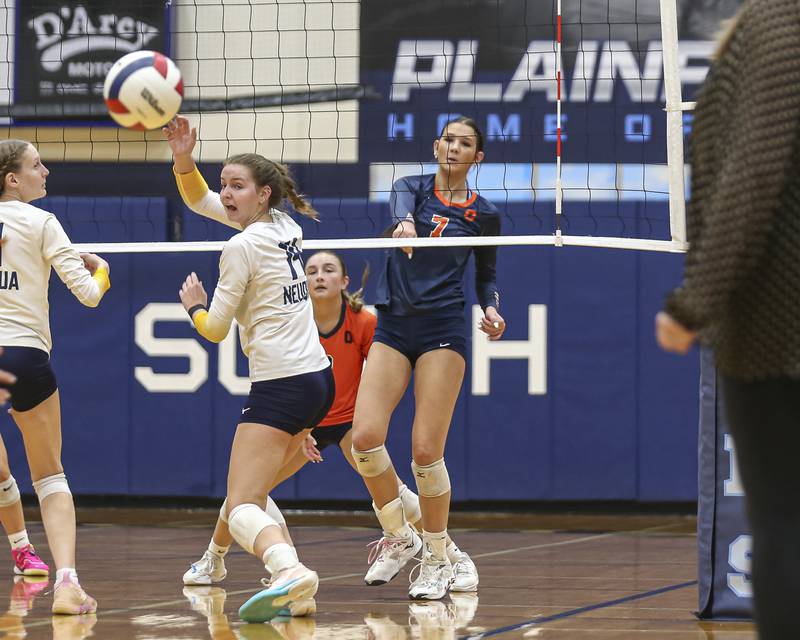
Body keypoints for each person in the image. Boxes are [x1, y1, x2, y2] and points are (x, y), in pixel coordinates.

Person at [655, 2, 800, 638]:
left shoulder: (778, 28)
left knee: (785, 524)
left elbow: (751, 176)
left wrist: (695, 303)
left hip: (780, 333)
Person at [181, 250, 427, 603]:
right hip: (304, 420)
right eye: (311, 271)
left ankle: (445, 555)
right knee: (248, 493)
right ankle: (214, 559)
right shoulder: (294, 318)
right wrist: (304, 425)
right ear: (301, 281)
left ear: (344, 282)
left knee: (395, 492)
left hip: (347, 424)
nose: (319, 277)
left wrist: (364, 423)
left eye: (329, 270)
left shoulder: (362, 321)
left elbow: (382, 376)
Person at [164, 116, 335, 623]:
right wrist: (183, 159)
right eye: (224, 185)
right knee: (253, 492)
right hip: (315, 380)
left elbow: (215, 330)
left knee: (240, 506)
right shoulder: (286, 226)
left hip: (280, 386)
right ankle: (294, 579)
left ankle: (284, 569)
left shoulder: (239, 247)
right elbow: (198, 200)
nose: (226, 194)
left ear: (263, 194)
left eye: (236, 186)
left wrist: (193, 306)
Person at [350, 116, 505, 600]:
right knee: (365, 439)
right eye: (449, 140)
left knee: (423, 450)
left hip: (443, 328)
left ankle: (437, 559)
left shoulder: (486, 215)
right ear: (436, 145)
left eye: (465, 144)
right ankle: (400, 533)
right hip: (395, 323)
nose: (454, 148)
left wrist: (493, 310)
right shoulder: (409, 188)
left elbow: (486, 277)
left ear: (477, 157)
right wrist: (403, 224)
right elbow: (401, 208)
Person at [0, 139, 110, 614]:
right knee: (49, 475)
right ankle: (67, 586)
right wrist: (101, 270)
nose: (46, 171)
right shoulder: (42, 222)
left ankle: (23, 546)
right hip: (24, 357)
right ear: (12, 179)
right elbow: (88, 295)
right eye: (36, 165)